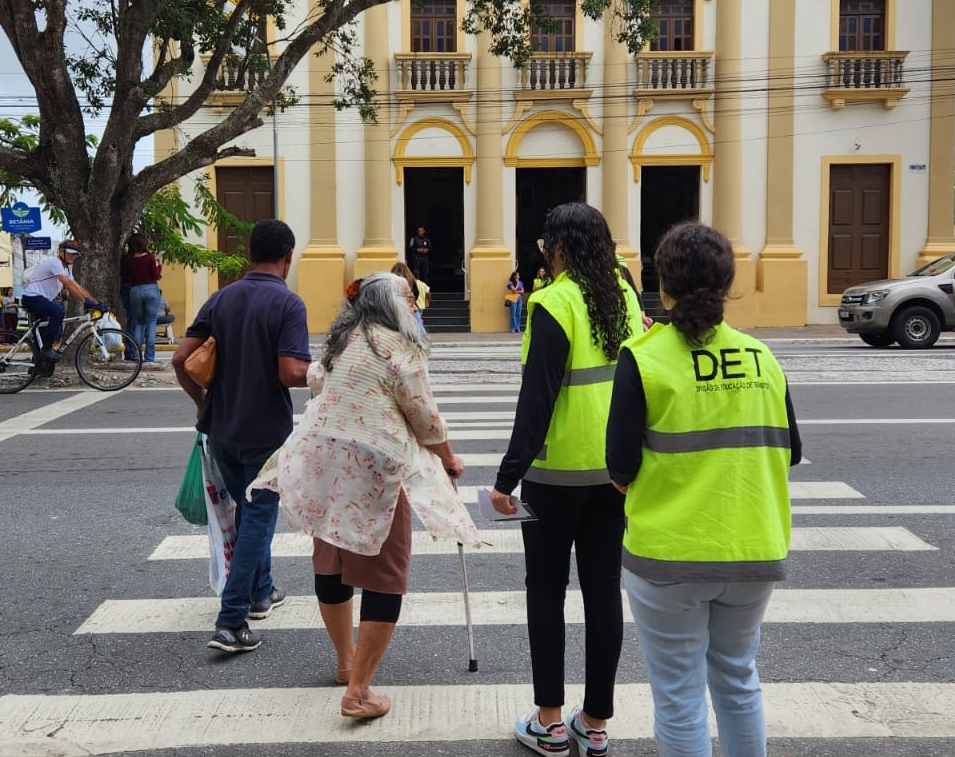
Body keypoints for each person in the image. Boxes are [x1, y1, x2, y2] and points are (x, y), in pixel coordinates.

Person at [607, 222, 803, 757]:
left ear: (661, 283)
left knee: (679, 697)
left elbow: (619, 468)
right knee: (738, 680)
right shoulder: (763, 358)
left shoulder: (643, 357)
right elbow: (792, 451)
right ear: (727, 282)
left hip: (668, 556)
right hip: (752, 548)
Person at [251, 272, 480, 719]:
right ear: (392, 305)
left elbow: (318, 379)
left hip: (325, 464)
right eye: (410, 299)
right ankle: (358, 691)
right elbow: (425, 419)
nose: (415, 306)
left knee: (332, 560)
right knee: (384, 572)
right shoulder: (401, 349)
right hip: (373, 470)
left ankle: (345, 663)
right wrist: (449, 458)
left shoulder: (344, 341)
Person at [490, 202, 644, 757]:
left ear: (556, 246)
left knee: (546, 592)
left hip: (555, 478)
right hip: (613, 474)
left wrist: (506, 478)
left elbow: (538, 399)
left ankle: (551, 721)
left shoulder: (552, 301)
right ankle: (595, 723)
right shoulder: (624, 294)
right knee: (603, 592)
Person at [171, 220, 311, 655]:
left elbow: (180, 359)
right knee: (257, 520)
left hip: (222, 430)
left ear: (250, 254)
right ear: (288, 256)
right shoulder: (289, 304)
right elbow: (290, 372)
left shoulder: (222, 297)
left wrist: (201, 402)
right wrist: (325, 372)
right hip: (266, 432)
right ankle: (231, 621)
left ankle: (261, 591)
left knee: (248, 513)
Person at [20, 240, 102, 371]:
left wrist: (96, 303)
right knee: (58, 312)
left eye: (75, 255)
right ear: (61, 252)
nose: (73, 257)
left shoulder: (65, 269)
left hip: (41, 299)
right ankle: (47, 350)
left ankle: (38, 366)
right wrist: (84, 301)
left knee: (41, 332)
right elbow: (68, 285)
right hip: (32, 298)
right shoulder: (55, 263)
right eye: (70, 253)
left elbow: (77, 287)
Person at [121, 233, 163, 362]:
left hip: (134, 291)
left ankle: (137, 354)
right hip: (150, 289)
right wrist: (159, 264)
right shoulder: (150, 257)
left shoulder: (127, 259)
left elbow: (123, 274)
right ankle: (149, 357)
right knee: (151, 323)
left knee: (139, 323)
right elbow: (155, 275)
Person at [390, 261, 426, 333]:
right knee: (418, 326)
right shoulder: (411, 280)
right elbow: (417, 293)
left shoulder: (391, 280)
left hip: (396, 308)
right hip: (411, 307)